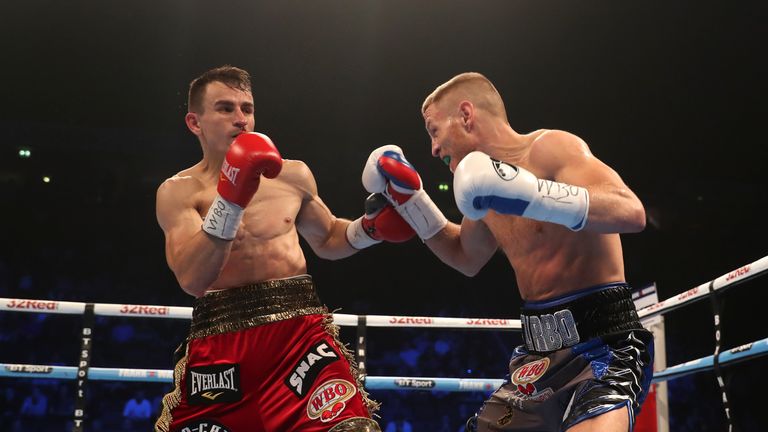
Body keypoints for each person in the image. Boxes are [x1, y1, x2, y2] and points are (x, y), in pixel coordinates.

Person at [360, 72, 653, 431]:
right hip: (537, 358)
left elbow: (630, 211)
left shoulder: (550, 148)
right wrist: (412, 204)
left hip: (604, 347)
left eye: (435, 131)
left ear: (466, 115)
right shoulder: (480, 190)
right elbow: (465, 257)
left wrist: (531, 194)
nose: (434, 149)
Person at [154, 65, 414, 432]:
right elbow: (193, 279)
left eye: (247, 108)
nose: (241, 119)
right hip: (224, 341)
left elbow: (328, 239)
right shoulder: (177, 191)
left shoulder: (292, 174)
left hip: (300, 332)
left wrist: (370, 229)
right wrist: (231, 197)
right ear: (195, 123)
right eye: (225, 108)